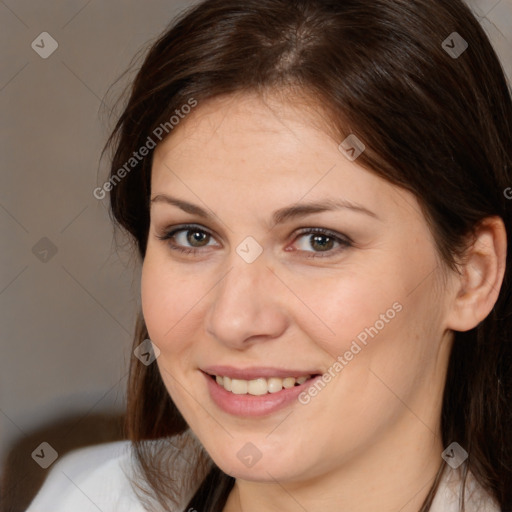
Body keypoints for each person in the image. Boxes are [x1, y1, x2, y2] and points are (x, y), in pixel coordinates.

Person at [26, 0, 512, 511]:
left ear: (472, 276)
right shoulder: (88, 496)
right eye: (193, 236)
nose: (234, 320)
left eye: (318, 240)